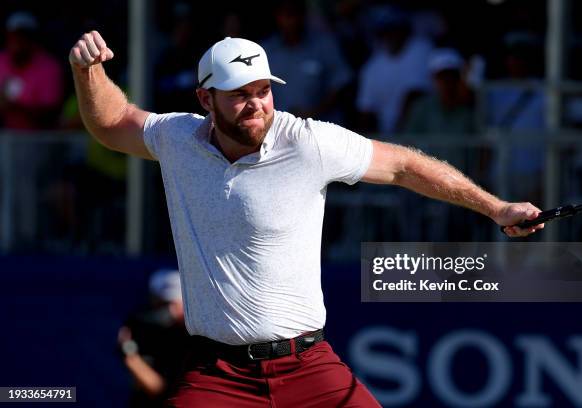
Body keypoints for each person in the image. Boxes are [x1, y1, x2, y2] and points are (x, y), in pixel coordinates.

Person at [69, 31, 543, 407]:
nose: (256, 103)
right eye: (239, 94)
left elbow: (403, 164)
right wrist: (86, 72)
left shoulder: (308, 142)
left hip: (308, 367)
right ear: (205, 99)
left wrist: (497, 208)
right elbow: (111, 124)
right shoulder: (176, 138)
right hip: (219, 375)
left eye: (263, 90)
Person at [118, 269, 189, 408]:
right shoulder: (145, 329)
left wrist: (131, 359)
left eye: (174, 303)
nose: (169, 311)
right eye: (162, 304)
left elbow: (161, 389)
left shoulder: (193, 339)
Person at [0, 11, 63, 129]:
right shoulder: (1, 60)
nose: (18, 41)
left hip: (39, 140)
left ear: (32, 39)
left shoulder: (49, 67)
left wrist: (14, 107)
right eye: (14, 35)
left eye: (24, 36)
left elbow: (51, 115)